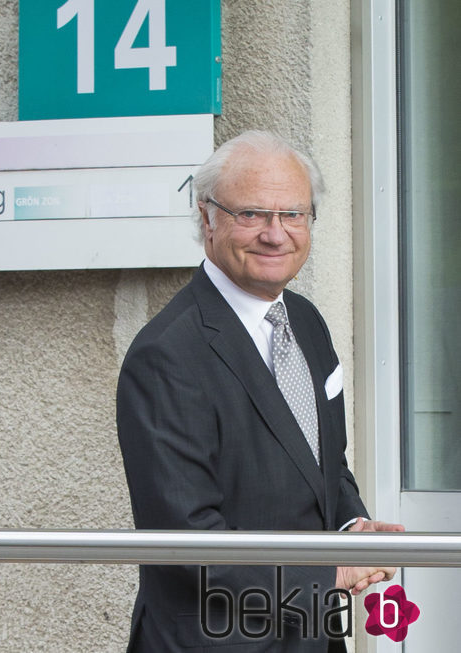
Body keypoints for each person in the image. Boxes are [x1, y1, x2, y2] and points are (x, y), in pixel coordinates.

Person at [116, 131, 404, 652]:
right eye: (251, 214)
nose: (276, 234)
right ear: (207, 218)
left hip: (312, 634)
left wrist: (351, 524)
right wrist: (331, 575)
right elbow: (186, 538)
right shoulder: (167, 354)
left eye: (293, 214)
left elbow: (323, 465)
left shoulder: (308, 323)